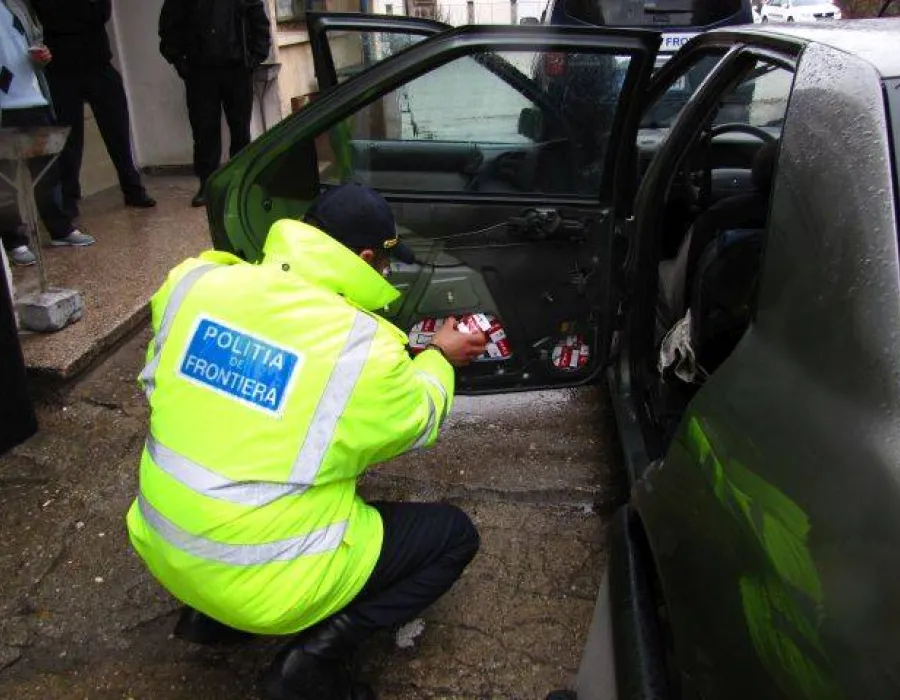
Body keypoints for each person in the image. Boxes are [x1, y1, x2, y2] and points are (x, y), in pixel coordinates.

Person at [126, 183, 486, 700]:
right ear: (366, 258)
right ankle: (311, 665)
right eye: (384, 266)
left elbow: (224, 381)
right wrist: (440, 357)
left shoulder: (194, 283)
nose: (386, 276)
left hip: (163, 548)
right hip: (266, 583)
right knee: (453, 537)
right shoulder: (361, 348)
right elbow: (420, 417)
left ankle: (212, 619)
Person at [30, 0, 156, 217]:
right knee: (69, 139)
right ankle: (69, 199)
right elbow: (48, 16)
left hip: (98, 63)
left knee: (117, 131)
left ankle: (132, 188)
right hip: (61, 70)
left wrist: (68, 19)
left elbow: (100, 14)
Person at [0, 0, 94, 267]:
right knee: (4, 178)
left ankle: (60, 228)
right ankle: (15, 241)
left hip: (33, 97)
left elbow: (34, 41)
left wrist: (43, 56)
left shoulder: (17, 5)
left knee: (48, 171)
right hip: (4, 107)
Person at [158, 0, 271, 208]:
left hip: (237, 68)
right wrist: (180, 62)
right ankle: (207, 185)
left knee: (240, 129)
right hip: (200, 72)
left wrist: (255, 57)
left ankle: (240, 183)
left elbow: (259, 22)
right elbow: (169, 26)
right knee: (204, 130)